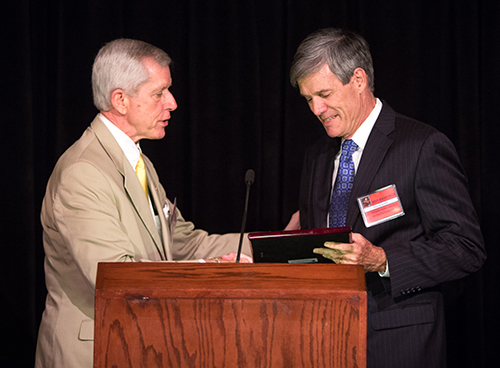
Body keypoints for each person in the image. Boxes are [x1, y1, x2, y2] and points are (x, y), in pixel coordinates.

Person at [35, 38, 251, 368]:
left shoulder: (139, 162)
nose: (173, 103)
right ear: (120, 100)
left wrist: (273, 246)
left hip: (138, 341)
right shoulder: (83, 172)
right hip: (95, 351)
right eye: (159, 93)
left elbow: (183, 243)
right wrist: (211, 272)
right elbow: (117, 276)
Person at [289, 28, 486, 368]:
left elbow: (466, 248)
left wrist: (382, 260)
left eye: (323, 93)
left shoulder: (421, 146)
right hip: (324, 336)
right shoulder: (317, 156)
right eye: (308, 99)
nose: (316, 109)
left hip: (398, 341)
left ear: (359, 79)